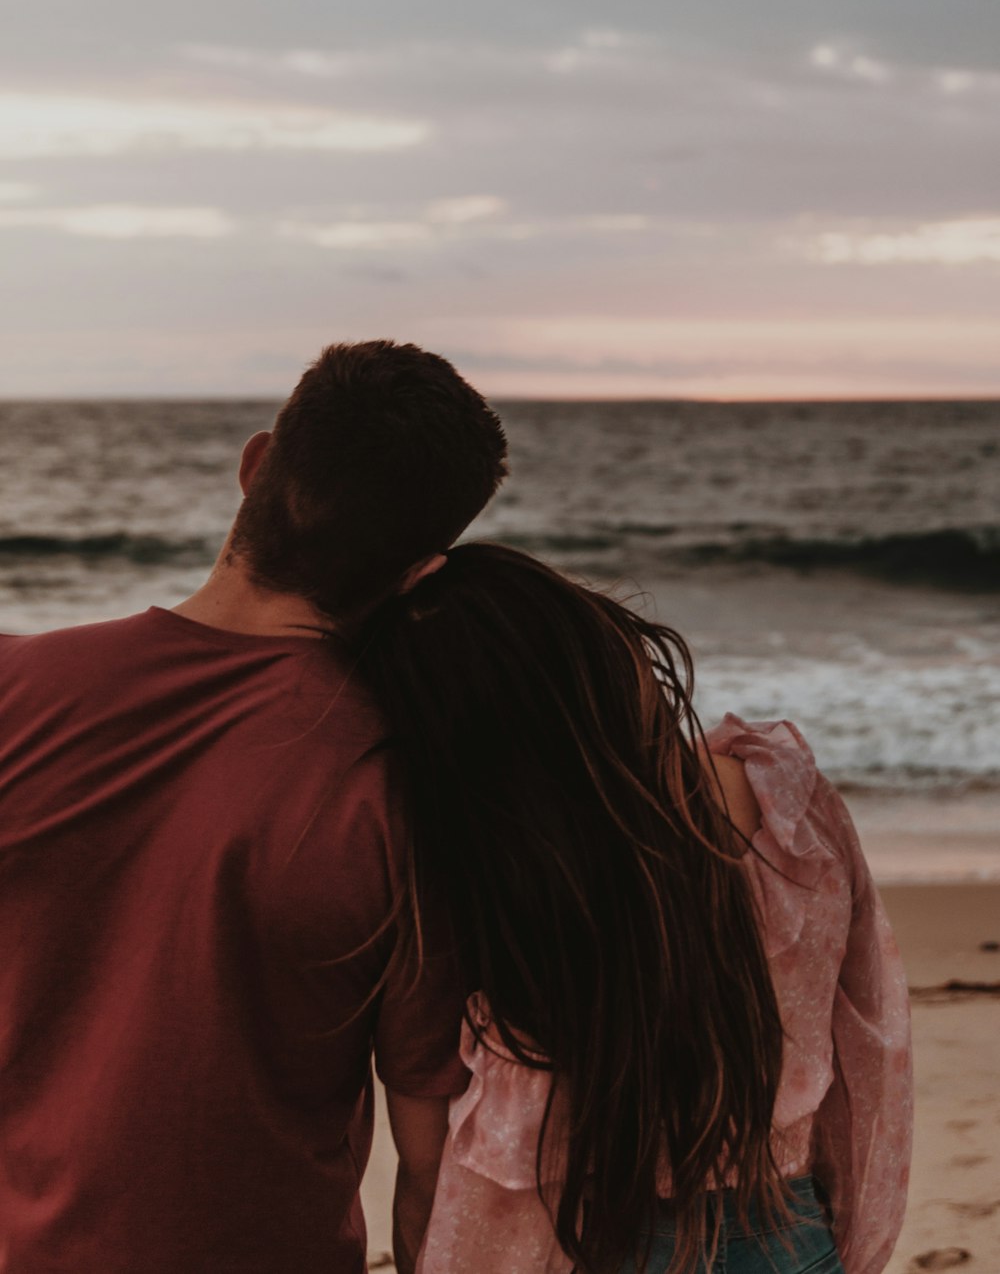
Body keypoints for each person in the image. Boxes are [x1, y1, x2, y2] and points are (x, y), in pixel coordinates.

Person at [0, 341, 508, 1274]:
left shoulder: (12, 689)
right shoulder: (404, 782)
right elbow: (436, 1163)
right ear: (421, 569)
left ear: (254, 465)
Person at [358, 542, 914, 1274]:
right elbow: (872, 1053)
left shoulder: (475, 873)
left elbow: (429, 1168)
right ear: (594, 643)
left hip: (575, 1241)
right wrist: (850, 1243)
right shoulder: (790, 810)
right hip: (781, 1233)